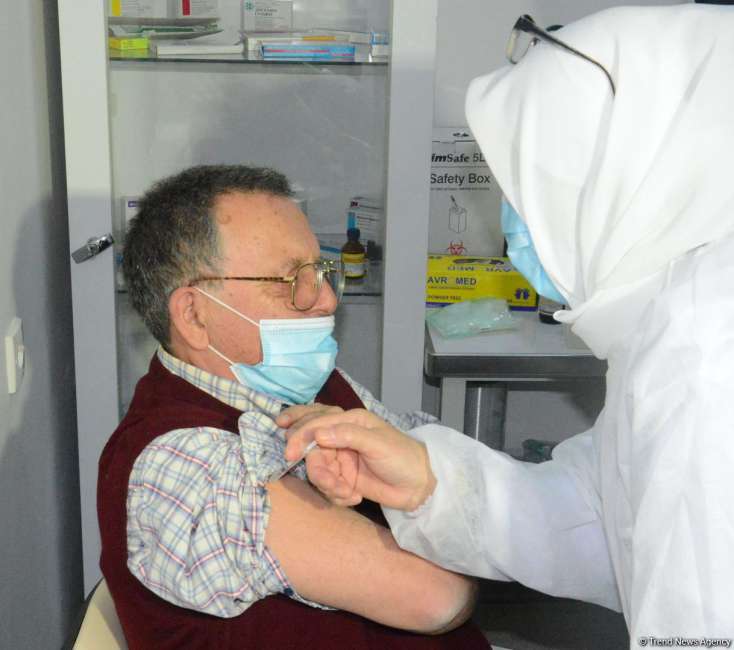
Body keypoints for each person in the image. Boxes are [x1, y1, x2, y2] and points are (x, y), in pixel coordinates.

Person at [283, 4, 734, 642]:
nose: (512, 219)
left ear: (622, 176)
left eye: (529, 189)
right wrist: (428, 481)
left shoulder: (704, 350)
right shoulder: (676, 317)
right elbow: (604, 516)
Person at [97, 165, 489, 649]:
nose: (324, 300)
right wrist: (446, 514)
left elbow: (438, 470)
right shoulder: (181, 462)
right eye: (290, 279)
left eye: (320, 271)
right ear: (194, 315)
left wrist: (447, 504)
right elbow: (439, 596)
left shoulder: (307, 385)